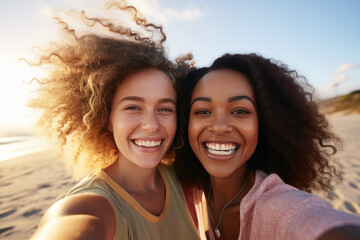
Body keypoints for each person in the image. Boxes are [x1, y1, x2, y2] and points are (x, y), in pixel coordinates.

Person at [28, 1, 205, 239]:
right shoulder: (96, 205)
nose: (151, 125)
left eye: (164, 109)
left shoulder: (179, 174)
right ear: (106, 118)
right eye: (133, 107)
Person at [175, 53, 360, 240]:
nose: (220, 126)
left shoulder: (278, 207)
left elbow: (314, 221)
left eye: (240, 111)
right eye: (203, 111)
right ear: (184, 123)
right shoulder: (183, 191)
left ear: (264, 124)